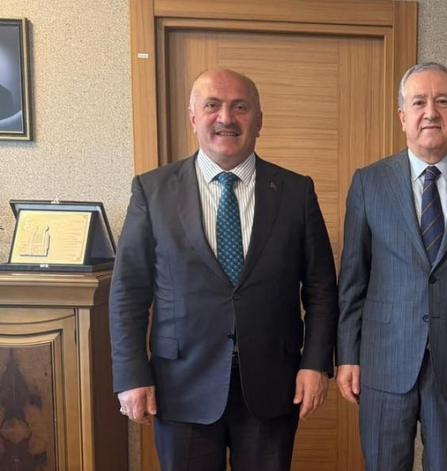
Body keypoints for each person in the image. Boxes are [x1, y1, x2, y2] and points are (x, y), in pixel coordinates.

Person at [109, 68, 338, 471]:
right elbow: (129, 291)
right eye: (212, 105)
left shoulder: (296, 191)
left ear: (259, 121)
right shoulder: (152, 190)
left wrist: (315, 363)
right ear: (193, 117)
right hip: (180, 386)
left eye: (240, 107)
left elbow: (320, 288)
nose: (226, 118)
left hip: (273, 384)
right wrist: (130, 374)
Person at [336, 62, 447, 471]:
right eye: (419, 102)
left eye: (442, 101)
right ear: (403, 116)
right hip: (384, 361)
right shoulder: (368, 183)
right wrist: (347, 355)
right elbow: (352, 280)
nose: (430, 112)